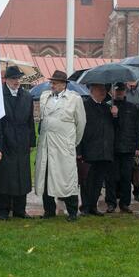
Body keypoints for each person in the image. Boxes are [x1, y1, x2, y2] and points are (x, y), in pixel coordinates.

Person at [35, 70, 86, 221]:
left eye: (55, 83)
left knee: (67, 177)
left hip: (64, 145)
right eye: (51, 82)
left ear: (63, 84)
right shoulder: (45, 97)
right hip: (46, 144)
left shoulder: (74, 99)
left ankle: (72, 211)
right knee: (45, 176)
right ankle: (49, 210)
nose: (52, 85)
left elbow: (81, 123)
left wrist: (72, 142)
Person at [0, 66, 35, 220]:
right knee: (5, 177)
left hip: (22, 140)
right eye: (13, 79)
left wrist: (31, 141)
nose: (17, 81)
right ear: (6, 80)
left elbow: (31, 121)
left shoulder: (27, 96)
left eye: (18, 78)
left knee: (21, 176)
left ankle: (20, 209)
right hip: (5, 140)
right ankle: (3, 210)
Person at [79, 83, 116, 216]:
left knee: (98, 181)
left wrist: (115, 115)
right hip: (89, 150)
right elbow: (80, 129)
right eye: (100, 90)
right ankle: (85, 206)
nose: (103, 92)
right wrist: (79, 151)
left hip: (104, 151)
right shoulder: (84, 106)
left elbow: (113, 128)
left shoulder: (107, 108)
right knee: (87, 180)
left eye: (104, 90)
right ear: (92, 91)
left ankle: (93, 205)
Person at [106, 82, 139, 213]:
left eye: (121, 90)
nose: (119, 93)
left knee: (126, 177)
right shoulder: (108, 107)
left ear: (125, 92)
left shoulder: (132, 108)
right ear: (113, 92)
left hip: (128, 148)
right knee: (111, 177)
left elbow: (137, 128)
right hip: (112, 148)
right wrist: (114, 116)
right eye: (117, 91)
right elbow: (108, 128)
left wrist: (138, 146)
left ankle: (125, 203)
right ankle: (110, 202)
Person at [125, 81, 139, 202]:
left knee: (138, 164)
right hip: (123, 133)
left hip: (138, 132)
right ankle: (121, 190)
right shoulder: (121, 91)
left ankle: (138, 191)